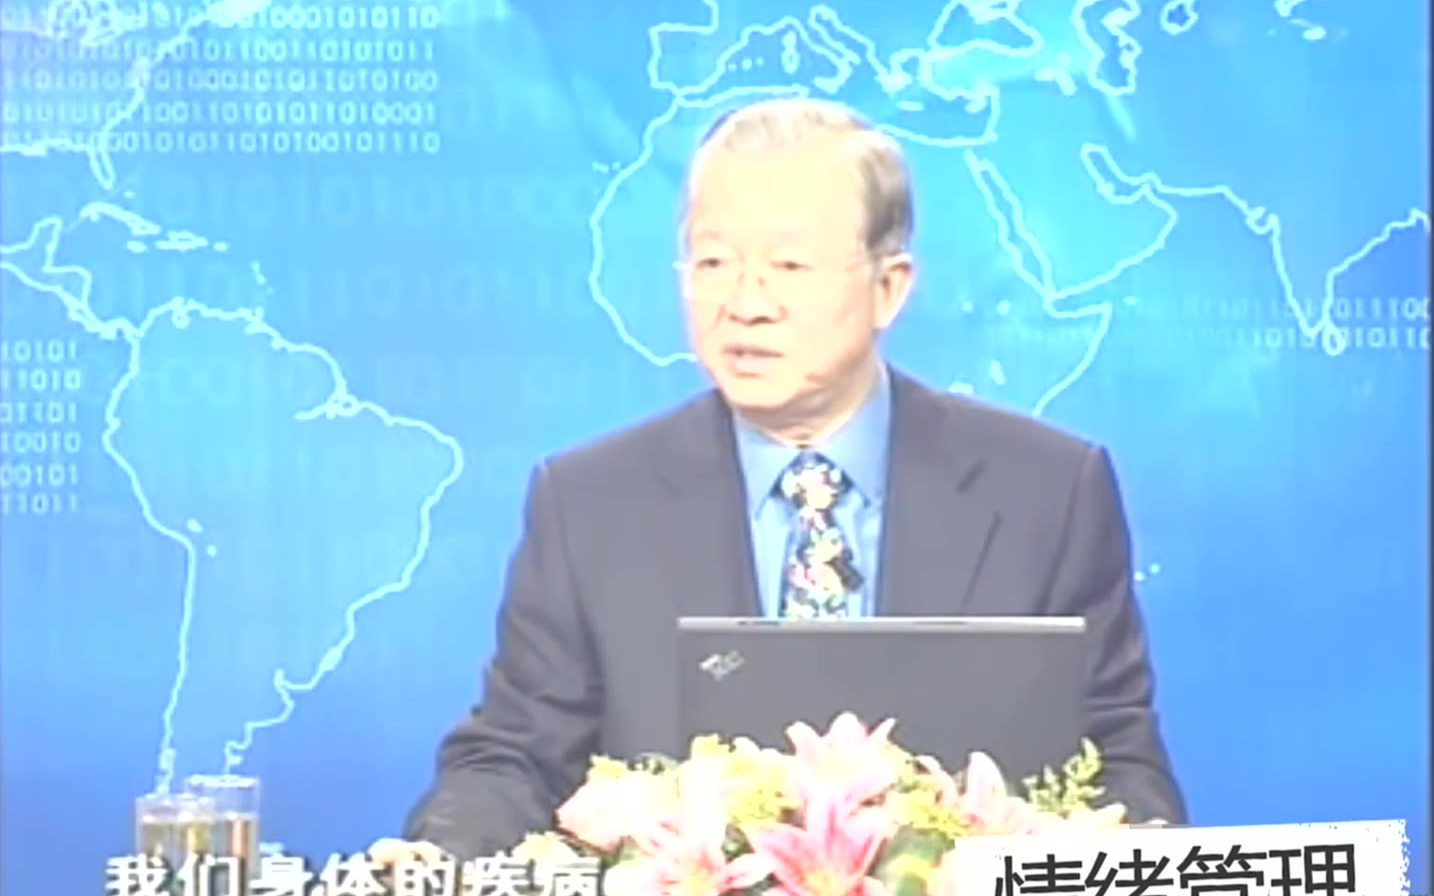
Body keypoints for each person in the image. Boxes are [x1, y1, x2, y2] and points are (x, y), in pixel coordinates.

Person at [386, 97, 1185, 862]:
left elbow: (1116, 764)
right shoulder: (588, 506)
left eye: (789, 265)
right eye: (713, 262)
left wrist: (1122, 849)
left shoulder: (1046, 493)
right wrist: (440, 857)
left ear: (888, 287)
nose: (745, 303)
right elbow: (516, 758)